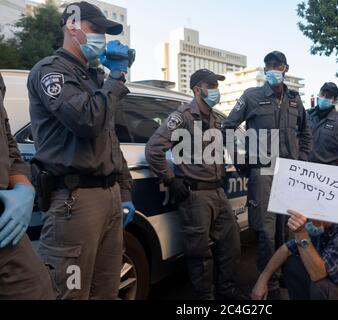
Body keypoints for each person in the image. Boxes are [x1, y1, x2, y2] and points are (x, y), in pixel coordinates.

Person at [27, 1, 135, 299]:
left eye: (105, 31)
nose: (101, 37)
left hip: (109, 198)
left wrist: (124, 192)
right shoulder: (51, 71)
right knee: (70, 292)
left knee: (106, 290)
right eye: (95, 29)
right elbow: (87, 121)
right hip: (75, 202)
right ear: (72, 27)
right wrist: (116, 78)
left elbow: (109, 140)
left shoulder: (95, 78)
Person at [146, 69, 244, 300]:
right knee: (200, 254)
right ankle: (204, 298)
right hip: (195, 195)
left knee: (231, 245)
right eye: (210, 85)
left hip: (218, 191)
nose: (215, 90)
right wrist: (170, 179)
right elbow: (153, 150)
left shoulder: (216, 119)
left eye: (216, 85)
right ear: (197, 89)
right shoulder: (183, 117)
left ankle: (226, 291)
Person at [222, 51, 312, 299]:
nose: (272, 69)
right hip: (263, 171)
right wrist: (243, 163)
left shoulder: (295, 99)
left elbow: (305, 133)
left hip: (289, 172)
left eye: (277, 65)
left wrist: (302, 160)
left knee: (287, 228)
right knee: (265, 230)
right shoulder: (251, 96)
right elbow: (227, 127)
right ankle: (268, 283)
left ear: (286, 68)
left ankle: (283, 274)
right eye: (268, 66)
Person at [0, 72, 55, 300]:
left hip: (5, 219)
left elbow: (7, 141)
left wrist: (23, 187)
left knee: (36, 287)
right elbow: (86, 122)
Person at [251, 210, 338, 300]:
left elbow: (319, 275)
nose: (306, 222)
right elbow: (285, 249)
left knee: (320, 286)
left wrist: (301, 233)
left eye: (308, 218)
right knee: (291, 263)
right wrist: (262, 280)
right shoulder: (322, 227)